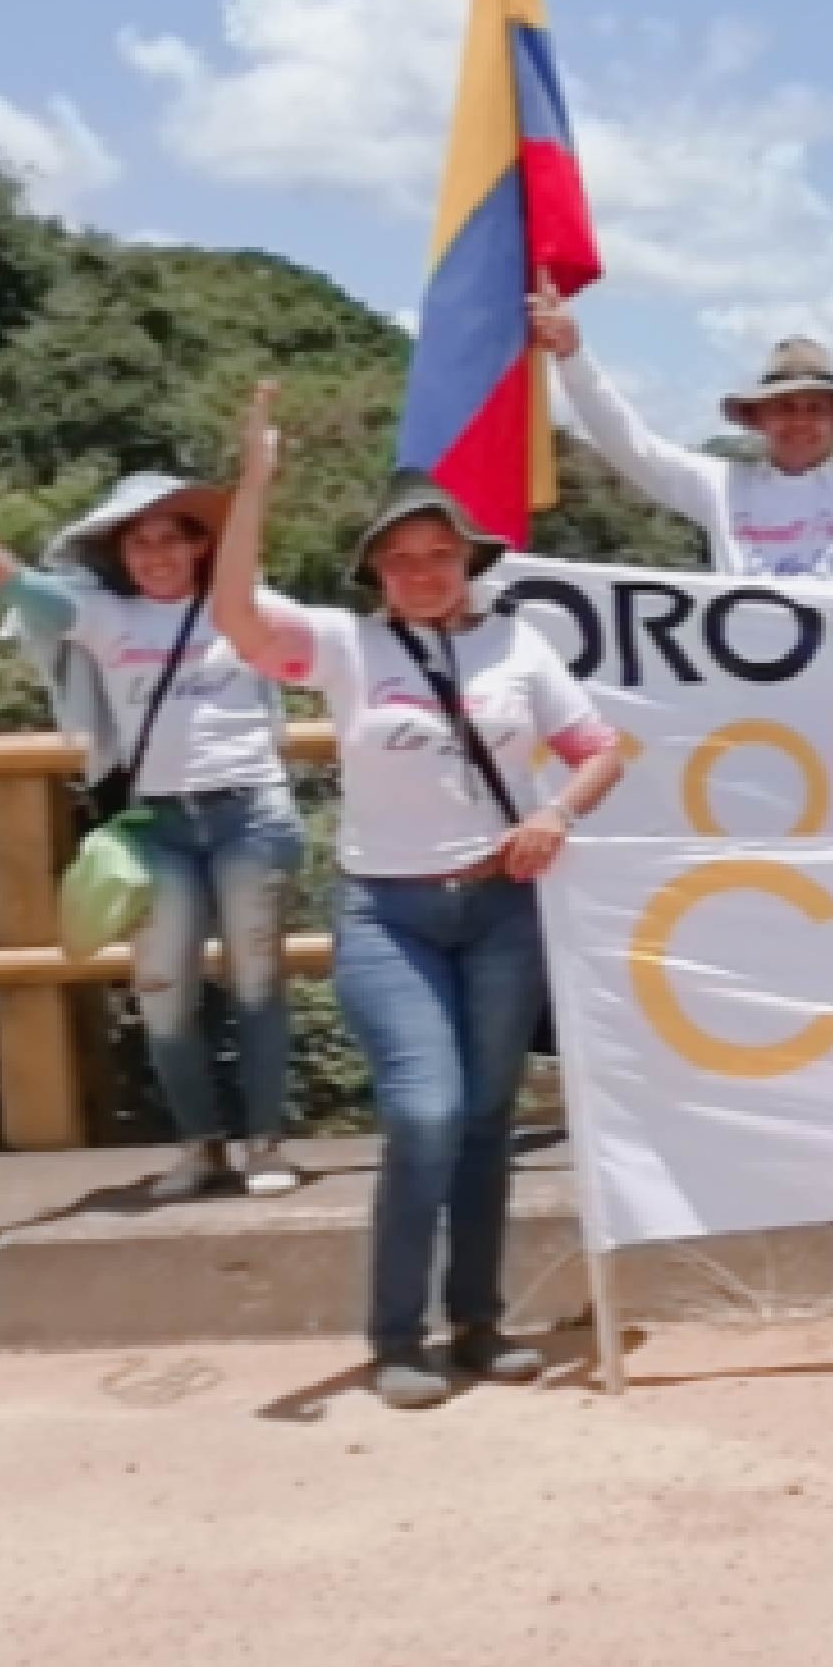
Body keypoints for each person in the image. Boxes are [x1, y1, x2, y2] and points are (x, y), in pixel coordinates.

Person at [211, 383, 629, 1410]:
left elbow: (599, 750)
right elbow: (231, 613)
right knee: (425, 1111)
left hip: (496, 906)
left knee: (485, 1118)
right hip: (386, 915)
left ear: (466, 560)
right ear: (376, 573)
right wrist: (253, 484)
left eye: (437, 554)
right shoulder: (347, 647)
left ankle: (477, 1322)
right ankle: (396, 1331)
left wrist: (556, 815)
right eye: (400, 559)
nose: (420, 572)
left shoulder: (516, 646)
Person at [0, 472, 305, 1204]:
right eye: (138, 542)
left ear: (200, 545)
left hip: (250, 812)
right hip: (161, 823)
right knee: (163, 991)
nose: (155, 555)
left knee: (257, 981)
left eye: (169, 538)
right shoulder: (106, 617)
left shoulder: (244, 609)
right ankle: (200, 1146)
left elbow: (334, 647)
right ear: (120, 552)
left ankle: (264, 1142)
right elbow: (13, 584)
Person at [528, 279, 833, 580]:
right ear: (757, 419)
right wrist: (572, 357)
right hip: (743, 683)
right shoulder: (722, 485)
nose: (800, 421)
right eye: (785, 408)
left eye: (816, 409)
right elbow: (634, 448)